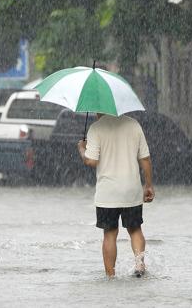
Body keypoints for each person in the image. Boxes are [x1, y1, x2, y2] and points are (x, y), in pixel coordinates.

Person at [77, 113, 154, 278]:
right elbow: (145, 159)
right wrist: (148, 185)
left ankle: (110, 276)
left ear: (98, 110)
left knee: (110, 234)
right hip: (131, 189)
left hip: (108, 192)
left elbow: (91, 161)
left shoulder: (96, 128)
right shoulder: (133, 125)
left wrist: (82, 149)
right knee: (135, 229)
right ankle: (139, 264)